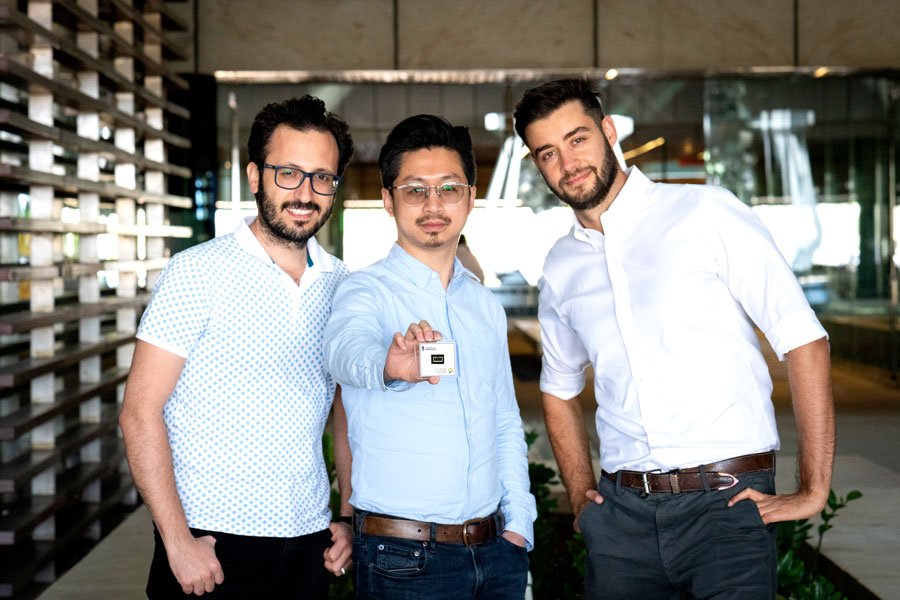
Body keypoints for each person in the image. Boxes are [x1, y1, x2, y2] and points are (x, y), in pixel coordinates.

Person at [513, 78, 835, 599]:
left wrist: (814, 488)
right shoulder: (561, 265)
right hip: (620, 518)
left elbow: (804, 341)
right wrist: (581, 495)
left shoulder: (706, 212)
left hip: (726, 507)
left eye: (578, 139)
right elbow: (558, 389)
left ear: (609, 131)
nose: (567, 163)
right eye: (547, 152)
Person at [119, 95, 355, 599]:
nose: (305, 192)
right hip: (210, 545)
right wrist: (177, 541)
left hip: (309, 539)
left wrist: (347, 513)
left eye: (322, 177)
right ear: (254, 176)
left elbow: (346, 408)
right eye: (288, 173)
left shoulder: (341, 284)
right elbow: (139, 412)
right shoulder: (196, 273)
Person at [323, 114, 537, 600]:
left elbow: (504, 420)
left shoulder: (483, 305)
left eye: (449, 188)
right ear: (388, 200)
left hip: (497, 552)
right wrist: (391, 365)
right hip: (405, 561)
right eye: (415, 190)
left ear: (470, 198)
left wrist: (519, 524)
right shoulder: (365, 290)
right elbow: (343, 350)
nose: (434, 204)